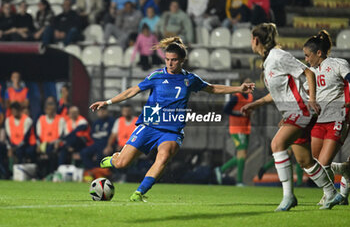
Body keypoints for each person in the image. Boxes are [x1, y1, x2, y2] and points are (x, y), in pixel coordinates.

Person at [90, 36, 255, 202]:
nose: (169, 64)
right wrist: (107, 102)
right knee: (122, 164)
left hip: (171, 131)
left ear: (182, 60)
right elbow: (132, 91)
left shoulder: (190, 79)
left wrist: (239, 88)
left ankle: (139, 193)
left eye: (174, 60)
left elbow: (213, 88)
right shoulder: (156, 77)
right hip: (149, 125)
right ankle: (114, 159)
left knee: (163, 157)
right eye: (167, 59)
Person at [241, 23, 342, 211]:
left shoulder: (278, 56)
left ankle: (288, 197)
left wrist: (312, 99)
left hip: (302, 110)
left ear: (256, 40)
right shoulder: (268, 62)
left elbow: (308, 72)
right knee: (305, 161)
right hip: (293, 113)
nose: (251, 43)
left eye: (251, 39)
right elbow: (276, 95)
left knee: (277, 144)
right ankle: (331, 193)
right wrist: (254, 104)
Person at [303, 30, 350, 205]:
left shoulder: (338, 64)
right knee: (314, 164)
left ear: (319, 53)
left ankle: (329, 195)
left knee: (323, 164)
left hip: (338, 117)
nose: (306, 59)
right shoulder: (310, 72)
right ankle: (345, 171)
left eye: (308, 55)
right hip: (319, 120)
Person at [214, 77, 253, 186]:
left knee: (243, 155)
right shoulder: (236, 97)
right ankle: (239, 181)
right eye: (247, 84)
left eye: (251, 85)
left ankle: (221, 169)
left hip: (246, 128)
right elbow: (226, 109)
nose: (249, 87)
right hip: (236, 128)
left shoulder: (250, 97)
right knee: (242, 153)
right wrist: (238, 114)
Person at [36, 98, 66, 178]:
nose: (50, 112)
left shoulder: (60, 119)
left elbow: (62, 135)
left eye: (52, 110)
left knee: (51, 152)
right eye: (48, 109)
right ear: (45, 110)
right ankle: (39, 175)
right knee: (32, 151)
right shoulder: (41, 119)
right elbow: (38, 135)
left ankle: (51, 174)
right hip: (43, 144)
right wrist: (38, 145)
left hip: (55, 144)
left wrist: (56, 142)